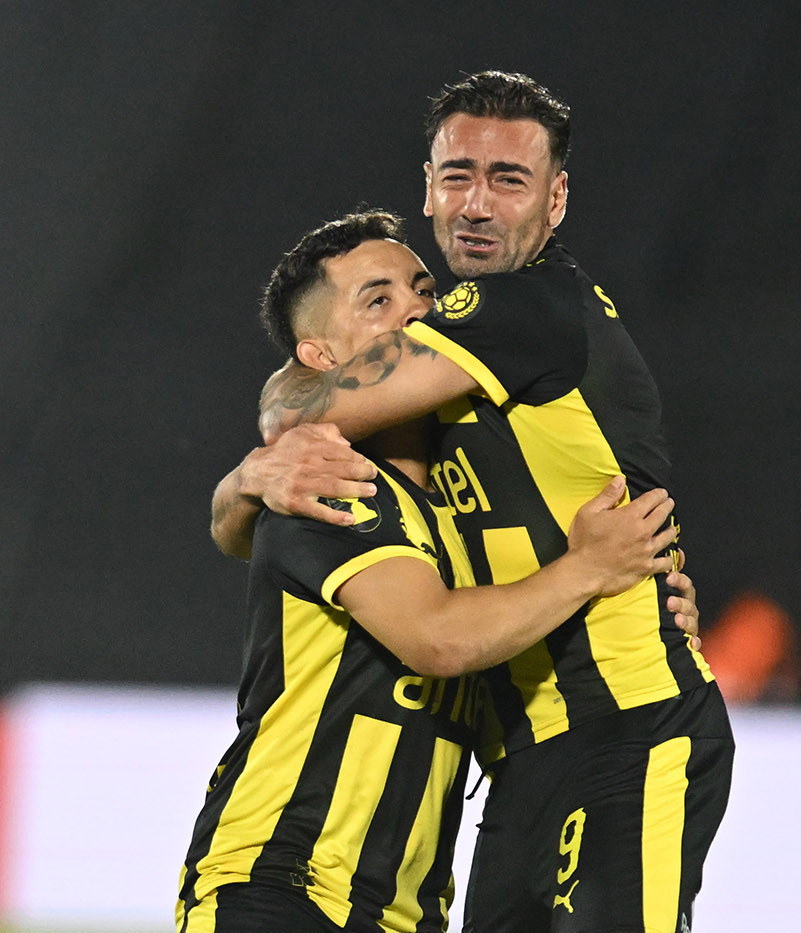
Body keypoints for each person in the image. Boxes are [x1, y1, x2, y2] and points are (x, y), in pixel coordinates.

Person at [213, 72, 734, 933]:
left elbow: (306, 401)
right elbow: (294, 526)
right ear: (427, 186)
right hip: (522, 760)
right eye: (458, 176)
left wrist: (276, 419)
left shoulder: (525, 307)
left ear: (556, 199)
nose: (478, 204)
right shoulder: (425, 394)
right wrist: (244, 483)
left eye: (509, 179)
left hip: (624, 729)